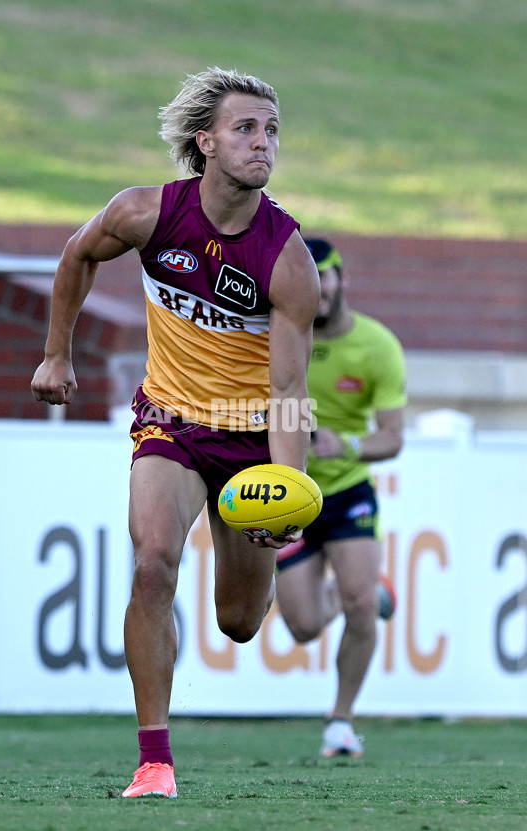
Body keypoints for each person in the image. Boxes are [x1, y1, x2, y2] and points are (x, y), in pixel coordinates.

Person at [31, 67, 320, 798]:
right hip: (170, 422)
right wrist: (56, 352)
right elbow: (76, 255)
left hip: (252, 439)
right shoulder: (143, 213)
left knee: (239, 623)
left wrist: (286, 495)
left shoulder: (288, 259)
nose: (264, 143)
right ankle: (154, 760)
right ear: (206, 143)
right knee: (153, 562)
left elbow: (289, 391)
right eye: (246, 128)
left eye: (272, 130)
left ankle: (260, 563)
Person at [275, 238, 406, 759]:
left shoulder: (377, 346)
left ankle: (341, 720)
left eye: (323, 275)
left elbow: (393, 437)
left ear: (340, 279)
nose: (318, 287)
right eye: (308, 276)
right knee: (304, 627)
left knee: (356, 607)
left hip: (349, 489)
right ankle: (369, 592)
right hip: (289, 492)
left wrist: (345, 444)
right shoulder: (281, 335)